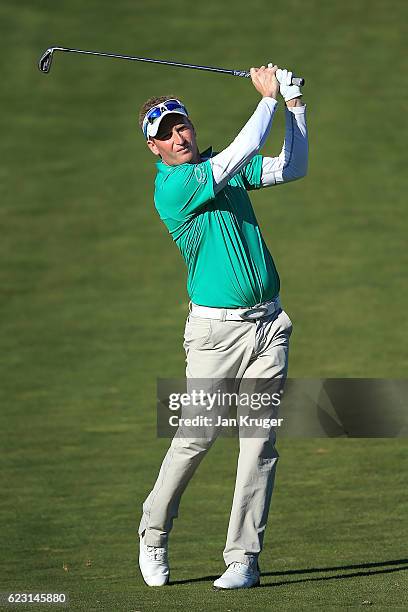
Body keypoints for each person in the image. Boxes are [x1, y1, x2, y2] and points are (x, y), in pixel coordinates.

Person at [137, 64, 308, 589]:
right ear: (155, 149)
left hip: (267, 328)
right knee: (196, 437)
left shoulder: (219, 167)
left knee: (260, 442)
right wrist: (268, 99)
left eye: (180, 124)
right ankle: (153, 533)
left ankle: (243, 559)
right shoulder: (175, 187)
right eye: (164, 133)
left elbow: (291, 167)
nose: (177, 136)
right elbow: (236, 154)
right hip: (215, 335)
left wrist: (297, 109)